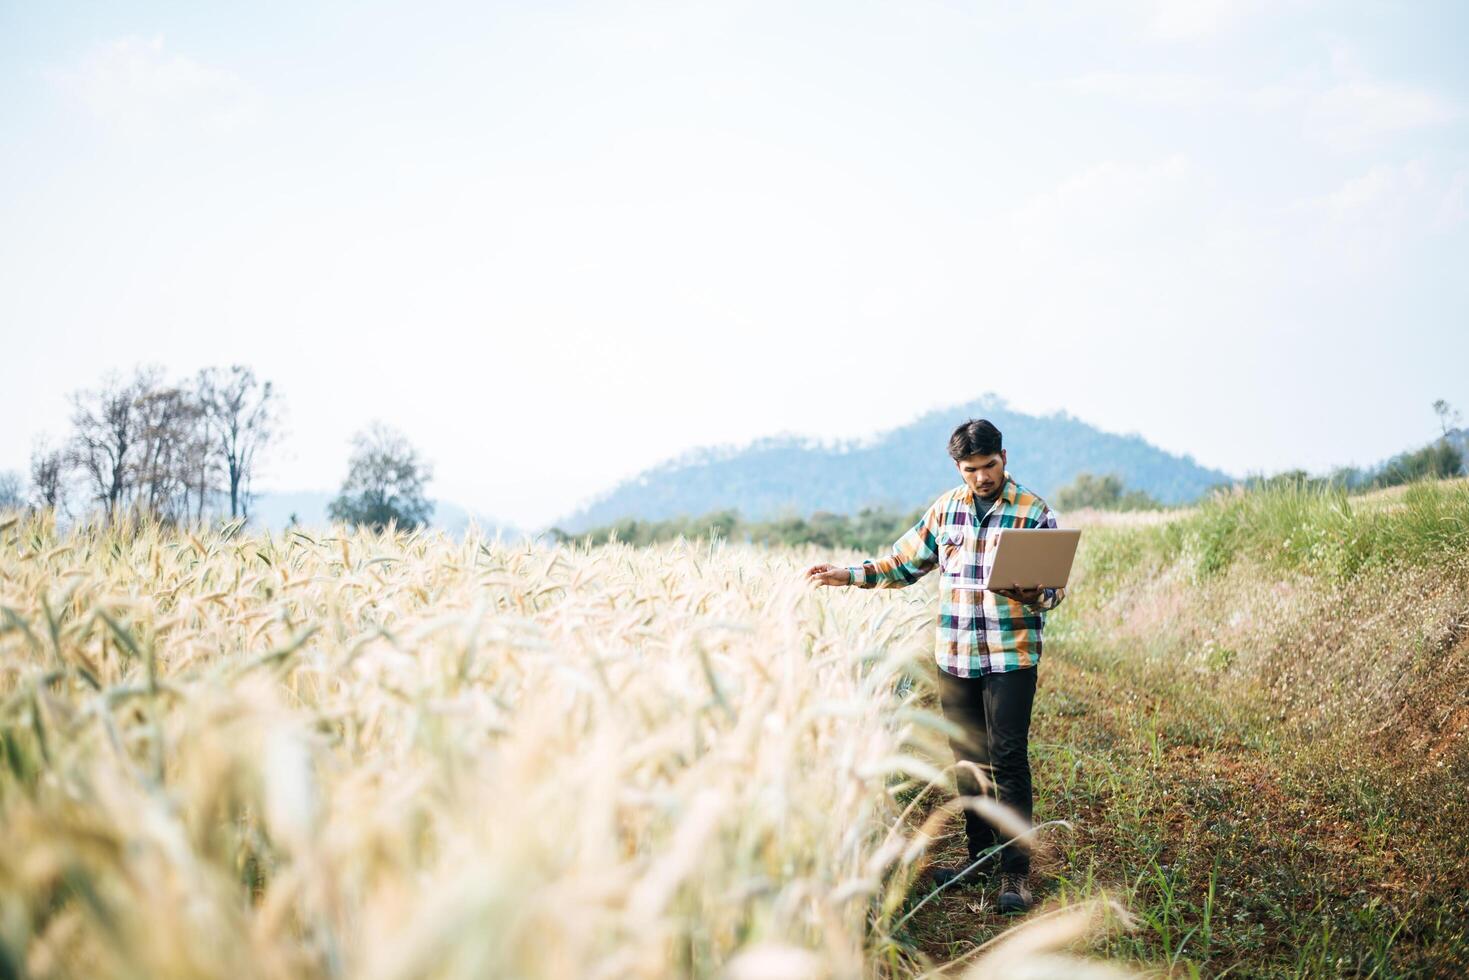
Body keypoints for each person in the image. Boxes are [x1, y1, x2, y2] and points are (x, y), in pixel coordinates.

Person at [804, 418, 1065, 915]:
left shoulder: (1034, 512)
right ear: (958, 467)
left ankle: (1016, 873)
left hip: (1011, 657)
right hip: (956, 656)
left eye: (989, 466)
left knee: (1008, 759)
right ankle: (979, 857)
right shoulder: (945, 511)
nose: (982, 477)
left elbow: (1053, 592)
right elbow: (901, 564)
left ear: (1004, 458)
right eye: (971, 469)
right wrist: (845, 575)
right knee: (968, 759)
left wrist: (1038, 593)